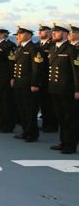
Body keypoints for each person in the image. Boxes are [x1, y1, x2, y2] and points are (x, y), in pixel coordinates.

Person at [45, 23, 78, 154]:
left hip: (67, 89)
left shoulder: (72, 49)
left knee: (70, 117)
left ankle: (70, 145)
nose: (53, 33)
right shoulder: (53, 49)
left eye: (57, 32)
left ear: (65, 34)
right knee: (60, 117)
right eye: (53, 31)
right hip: (55, 88)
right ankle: (63, 141)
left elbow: (76, 71)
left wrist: (77, 89)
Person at [12, 26, 45, 142]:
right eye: (17, 34)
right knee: (21, 109)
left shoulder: (34, 49)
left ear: (29, 35)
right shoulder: (19, 48)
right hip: (19, 84)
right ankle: (25, 131)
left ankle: (32, 133)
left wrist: (35, 84)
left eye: (21, 34)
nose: (18, 36)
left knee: (30, 110)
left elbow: (37, 68)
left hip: (28, 85)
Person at [0, 27, 16, 133]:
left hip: (5, 77)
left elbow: (11, 64)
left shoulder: (9, 46)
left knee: (7, 102)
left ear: (3, 34)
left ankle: (9, 125)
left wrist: (12, 77)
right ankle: (1, 123)